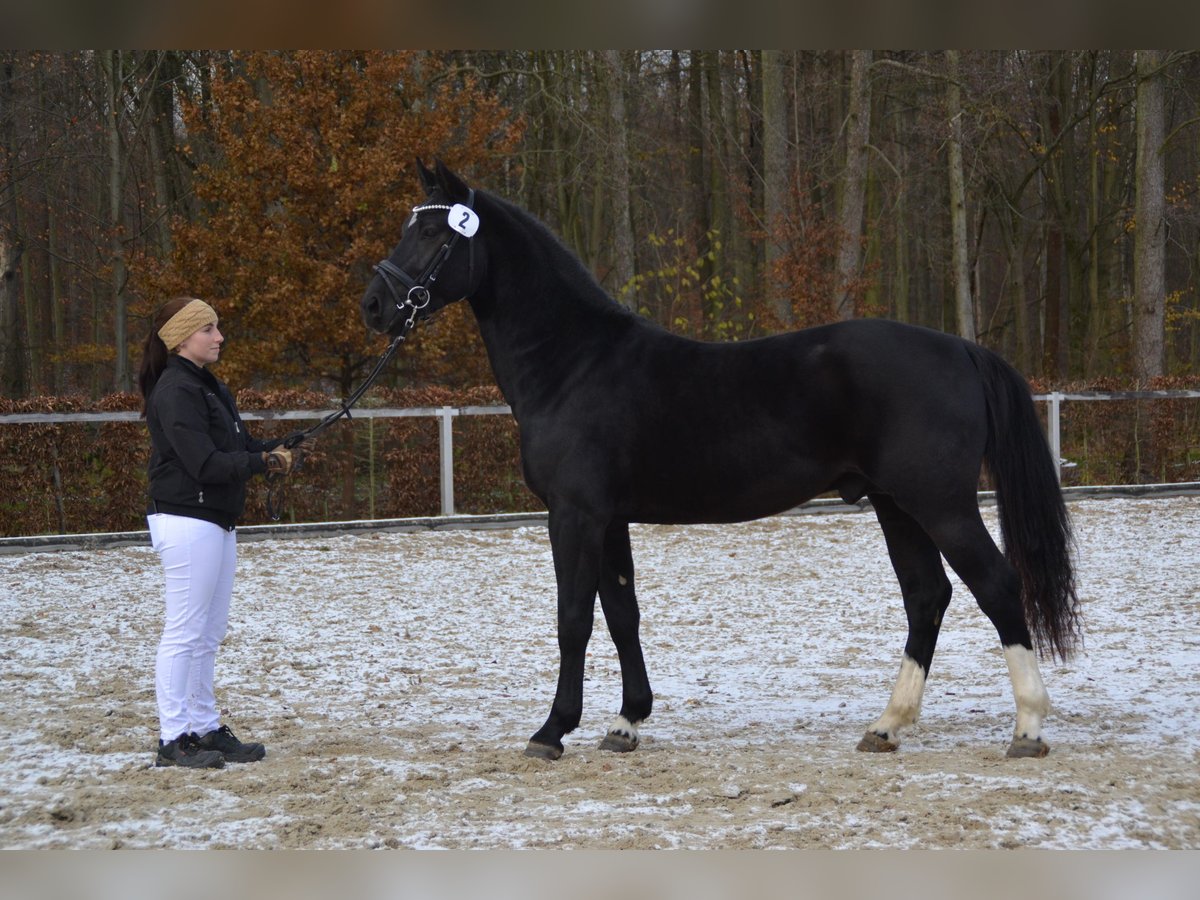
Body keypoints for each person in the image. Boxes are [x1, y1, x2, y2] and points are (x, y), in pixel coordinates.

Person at [137, 297, 298, 769]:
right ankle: (173, 739)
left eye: (217, 327)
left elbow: (239, 447)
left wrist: (278, 447)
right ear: (183, 337)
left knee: (209, 633)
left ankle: (205, 727)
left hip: (216, 521)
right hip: (186, 520)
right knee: (184, 632)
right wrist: (261, 463)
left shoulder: (209, 387)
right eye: (208, 328)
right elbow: (204, 463)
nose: (219, 336)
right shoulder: (175, 390)